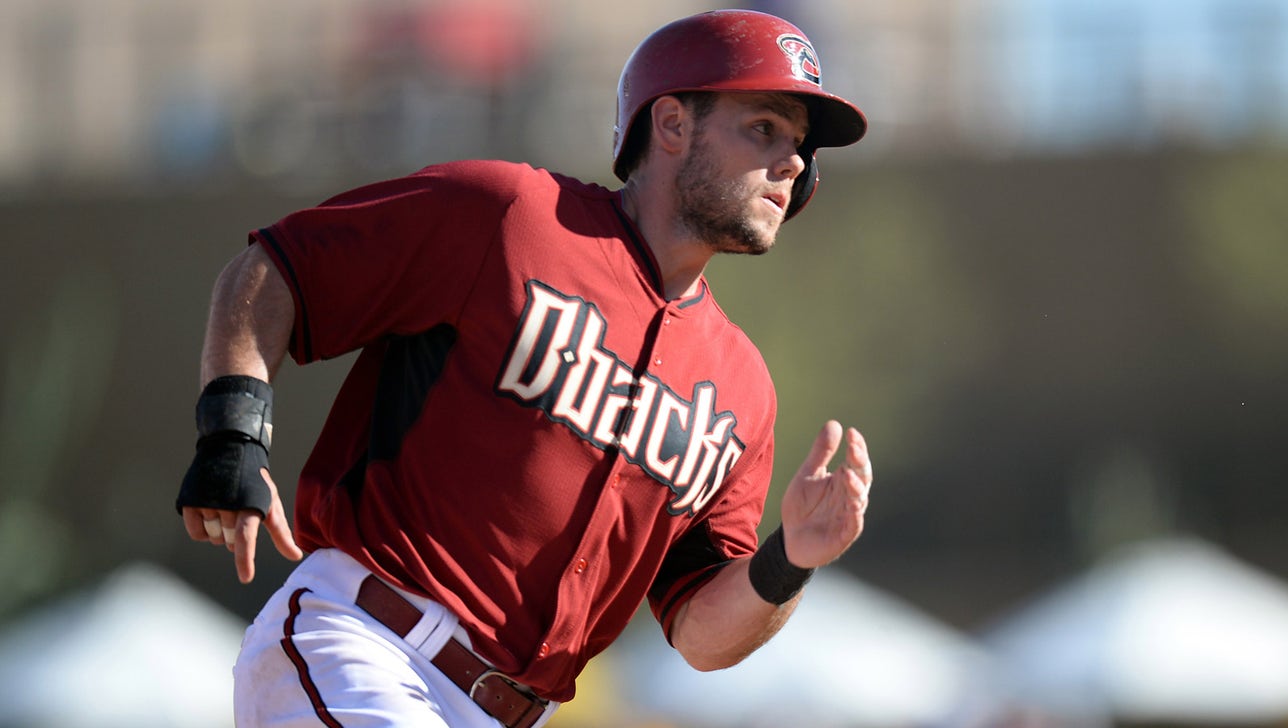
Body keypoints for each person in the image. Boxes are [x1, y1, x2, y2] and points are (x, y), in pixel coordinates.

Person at [178, 9, 873, 728]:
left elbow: (700, 635)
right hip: (368, 646)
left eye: (799, 144)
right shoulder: (510, 215)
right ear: (671, 124)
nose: (793, 162)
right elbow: (278, 271)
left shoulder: (742, 388)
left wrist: (790, 558)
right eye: (764, 127)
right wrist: (232, 434)